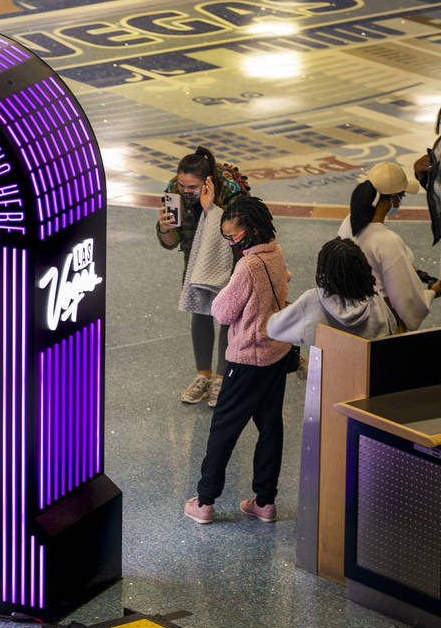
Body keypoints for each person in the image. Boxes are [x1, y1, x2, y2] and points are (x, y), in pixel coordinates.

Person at [184, 196, 291, 525]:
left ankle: (204, 502)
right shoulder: (275, 251)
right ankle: (265, 501)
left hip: (246, 359)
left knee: (223, 431)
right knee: (270, 428)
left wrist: (225, 290)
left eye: (233, 237)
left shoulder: (247, 266)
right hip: (277, 353)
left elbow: (222, 312)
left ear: (250, 230)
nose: (231, 243)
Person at [156, 147, 249, 408]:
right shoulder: (174, 191)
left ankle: (221, 378)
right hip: (195, 257)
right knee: (200, 310)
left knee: (225, 313)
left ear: (208, 182)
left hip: (229, 256)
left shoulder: (231, 192)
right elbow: (170, 243)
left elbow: (235, 237)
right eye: (182, 184)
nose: (185, 190)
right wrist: (165, 228)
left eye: (192, 186)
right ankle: (203, 376)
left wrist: (211, 209)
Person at [337, 161, 441, 331]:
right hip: (379, 322)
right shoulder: (387, 240)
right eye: (402, 196)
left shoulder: (349, 222)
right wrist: (433, 292)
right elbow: (406, 301)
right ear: (394, 197)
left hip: (349, 315)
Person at [266, 238, 396, 346]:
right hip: (369, 372)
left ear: (324, 272)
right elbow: (392, 326)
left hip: (328, 372)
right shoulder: (374, 297)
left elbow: (273, 328)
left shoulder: (312, 300)